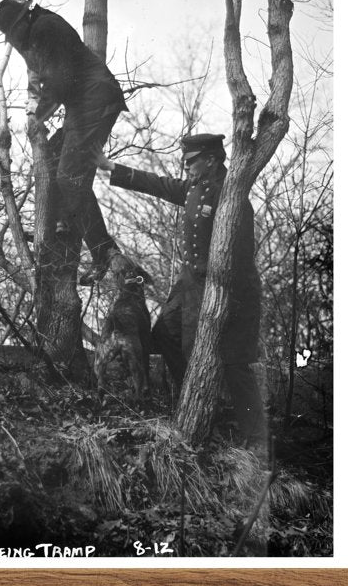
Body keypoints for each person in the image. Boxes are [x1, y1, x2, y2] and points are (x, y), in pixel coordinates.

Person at [95, 133, 264, 444]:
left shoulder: (232, 195)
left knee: (234, 363)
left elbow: (240, 255)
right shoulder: (195, 187)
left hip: (229, 289)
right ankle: (195, 402)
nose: (185, 168)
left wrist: (224, 298)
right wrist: (109, 166)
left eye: (191, 162)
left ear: (211, 160)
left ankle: (254, 437)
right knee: (165, 336)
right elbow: (160, 184)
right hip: (190, 285)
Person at [0, 0, 126, 268]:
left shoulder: (46, 28)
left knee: (68, 177)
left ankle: (103, 250)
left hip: (96, 101)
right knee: (54, 155)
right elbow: (42, 74)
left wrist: (39, 115)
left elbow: (59, 80)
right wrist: (36, 107)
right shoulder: (34, 31)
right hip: (84, 103)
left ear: (22, 21)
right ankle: (63, 221)